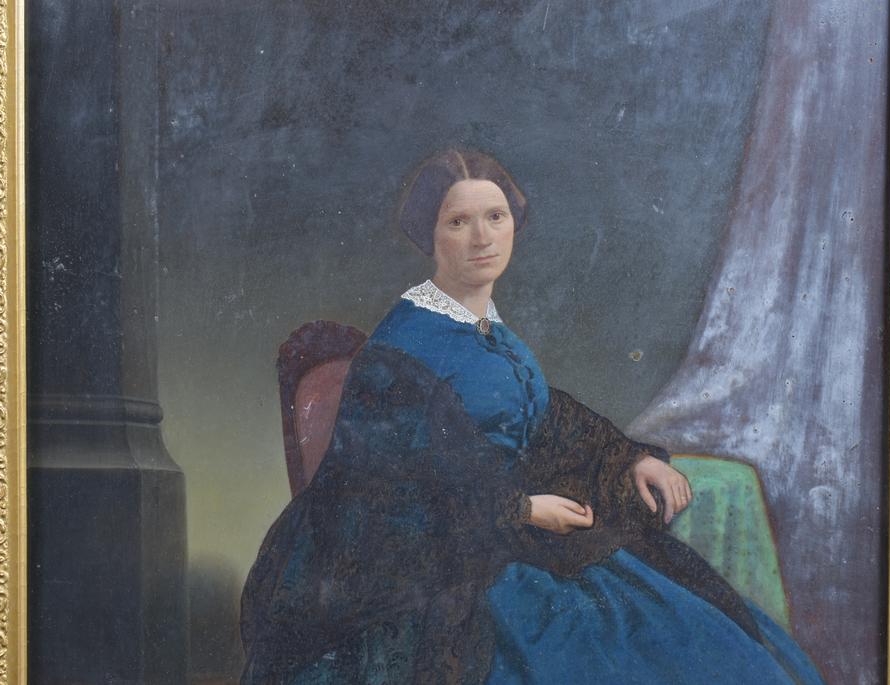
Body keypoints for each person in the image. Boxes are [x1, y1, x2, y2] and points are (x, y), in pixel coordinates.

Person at [240, 150, 825, 684]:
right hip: (447, 574)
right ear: (430, 236)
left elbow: (545, 416)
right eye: (459, 222)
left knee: (704, 636)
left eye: (495, 217)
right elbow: (387, 490)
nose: (482, 237)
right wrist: (520, 510)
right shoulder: (402, 346)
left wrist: (630, 458)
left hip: (513, 541)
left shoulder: (490, 329)